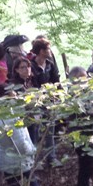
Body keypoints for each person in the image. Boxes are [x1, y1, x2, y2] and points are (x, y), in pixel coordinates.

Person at [30, 38, 62, 167]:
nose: (50, 51)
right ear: (41, 51)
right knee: (35, 133)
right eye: (48, 49)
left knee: (50, 130)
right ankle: (34, 161)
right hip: (37, 104)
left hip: (50, 102)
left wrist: (60, 96)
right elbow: (34, 87)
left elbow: (56, 81)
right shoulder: (31, 66)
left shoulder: (50, 64)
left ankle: (51, 158)